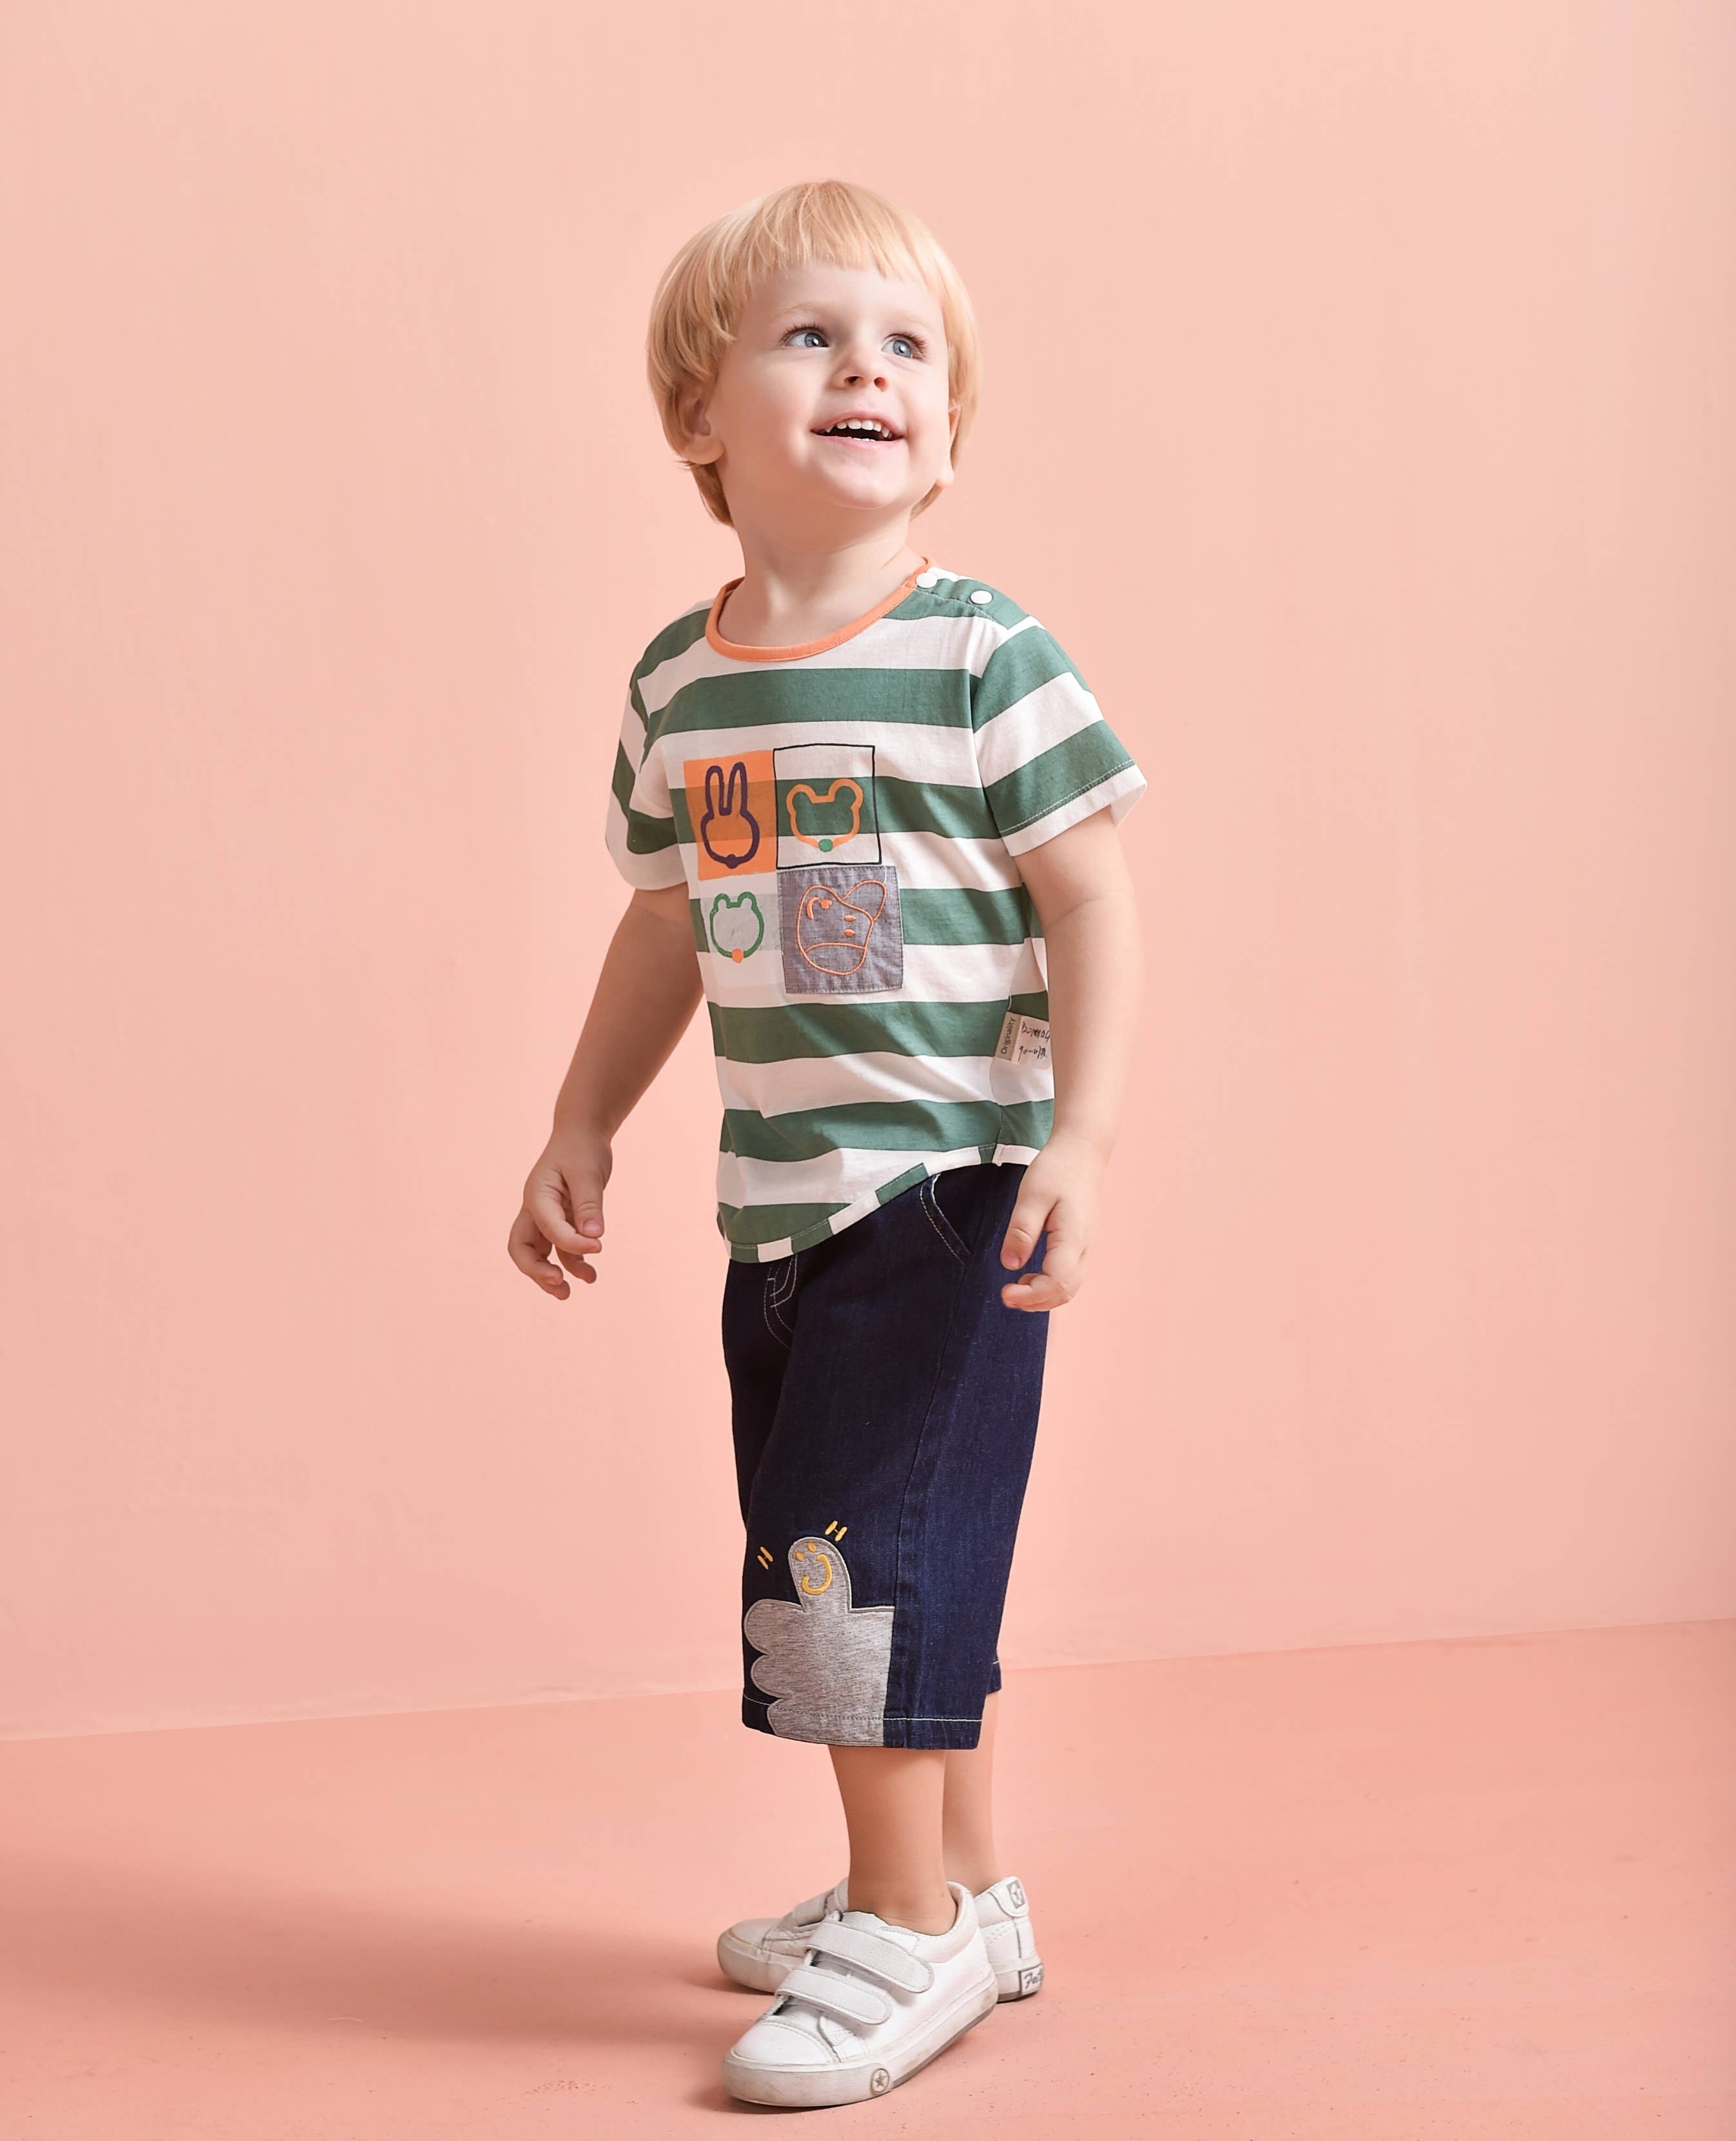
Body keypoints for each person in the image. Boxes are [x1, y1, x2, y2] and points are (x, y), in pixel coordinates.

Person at [509, 178, 1145, 2110]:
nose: (868, 370)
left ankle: (906, 1926)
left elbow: (1092, 898)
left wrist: (1082, 1137)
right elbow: (665, 930)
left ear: (945, 435)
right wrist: (581, 1120)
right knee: (874, 1554)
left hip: (944, 1196)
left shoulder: (981, 655)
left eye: (906, 348)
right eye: (811, 336)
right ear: (697, 414)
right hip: (775, 1211)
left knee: (851, 1571)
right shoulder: (681, 686)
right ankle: (964, 1889)